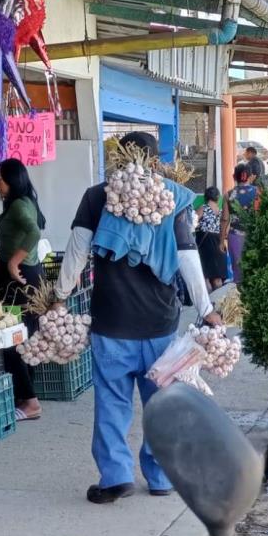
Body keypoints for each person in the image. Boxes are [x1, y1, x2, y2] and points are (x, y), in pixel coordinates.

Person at [56, 132, 221, 504]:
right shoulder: (173, 198)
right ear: (155, 160)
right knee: (161, 405)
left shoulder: (98, 196)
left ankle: (115, 477)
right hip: (159, 325)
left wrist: (59, 298)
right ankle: (161, 477)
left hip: (111, 322)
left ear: (120, 158)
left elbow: (77, 251)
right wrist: (206, 309)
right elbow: (187, 257)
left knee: (112, 403)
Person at [0, 157, 46, 422]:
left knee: (12, 338)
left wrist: (13, 262)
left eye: (0, 178)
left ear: (13, 180)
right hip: (26, 279)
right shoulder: (25, 202)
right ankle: (26, 397)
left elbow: (34, 232)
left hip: (18, 283)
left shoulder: (18, 206)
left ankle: (31, 402)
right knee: (23, 337)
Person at [222, 164, 260, 285]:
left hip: (235, 237)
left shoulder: (229, 195)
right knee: (255, 268)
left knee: (238, 271)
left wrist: (221, 240)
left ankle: (239, 300)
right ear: (250, 177)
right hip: (254, 236)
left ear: (234, 177)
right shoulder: (258, 192)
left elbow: (225, 219)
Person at [195, 187, 227, 291]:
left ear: (206, 196)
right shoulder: (222, 212)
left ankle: (208, 304)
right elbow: (226, 229)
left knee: (205, 277)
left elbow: (192, 222)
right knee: (217, 278)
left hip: (205, 244)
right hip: (219, 243)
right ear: (217, 197)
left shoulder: (202, 208)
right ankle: (219, 303)